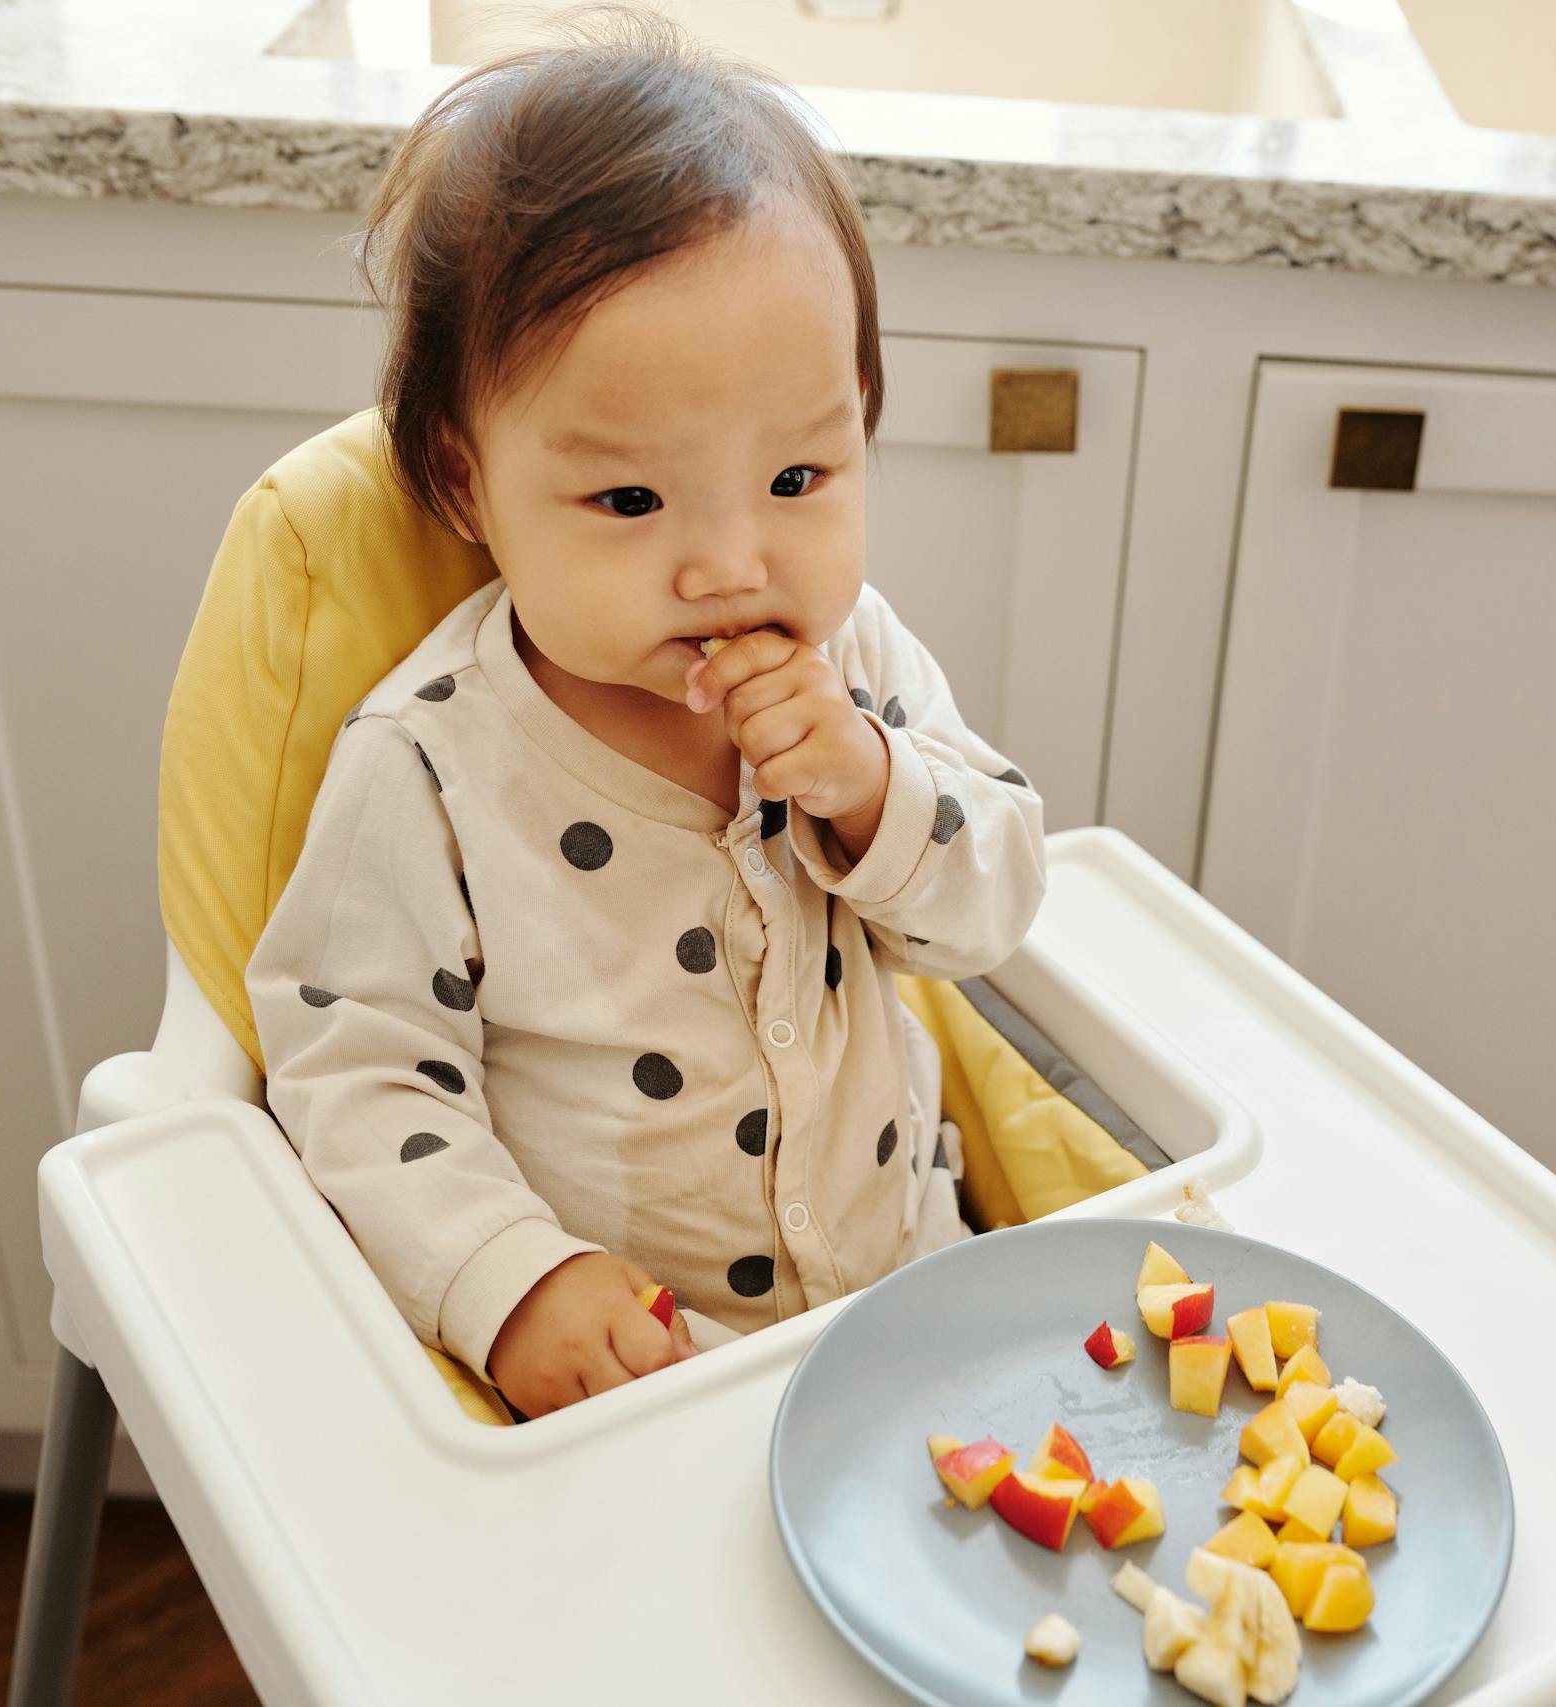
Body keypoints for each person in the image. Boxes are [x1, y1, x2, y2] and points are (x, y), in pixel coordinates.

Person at [245, 7, 1045, 1420]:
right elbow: (356, 1069)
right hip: (642, 1389)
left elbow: (989, 910)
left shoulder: (858, 655)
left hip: (916, 1300)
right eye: (630, 500)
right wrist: (512, 1280)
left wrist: (869, 787)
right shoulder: (430, 768)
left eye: (801, 478)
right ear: (463, 484)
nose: (733, 564)